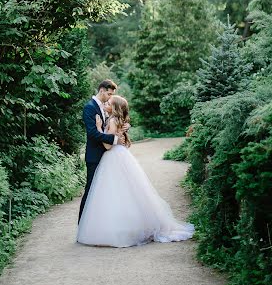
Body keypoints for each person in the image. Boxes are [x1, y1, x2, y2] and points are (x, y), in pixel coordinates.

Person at [77, 95, 195, 247]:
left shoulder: (112, 121)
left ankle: (117, 228)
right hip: (121, 156)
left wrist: (100, 128)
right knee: (127, 192)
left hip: (112, 157)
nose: (106, 104)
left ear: (114, 108)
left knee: (113, 193)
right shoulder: (116, 120)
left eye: (109, 103)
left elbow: (107, 146)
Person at [78, 79, 128, 223]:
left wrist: (124, 127)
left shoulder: (105, 107)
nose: (110, 97)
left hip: (107, 157)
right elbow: (93, 133)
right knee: (90, 191)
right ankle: (82, 225)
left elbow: (115, 121)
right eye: (109, 94)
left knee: (104, 193)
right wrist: (114, 140)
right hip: (95, 156)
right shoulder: (89, 107)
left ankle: (100, 224)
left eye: (112, 94)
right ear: (101, 90)